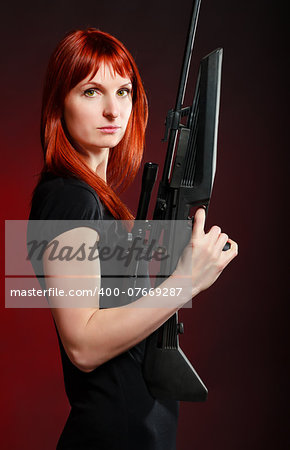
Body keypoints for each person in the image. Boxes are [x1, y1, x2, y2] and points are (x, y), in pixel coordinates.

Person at [28, 28, 238, 450]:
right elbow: (83, 345)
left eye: (123, 91)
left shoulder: (95, 199)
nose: (112, 110)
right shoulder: (70, 197)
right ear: (60, 103)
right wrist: (186, 282)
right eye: (91, 92)